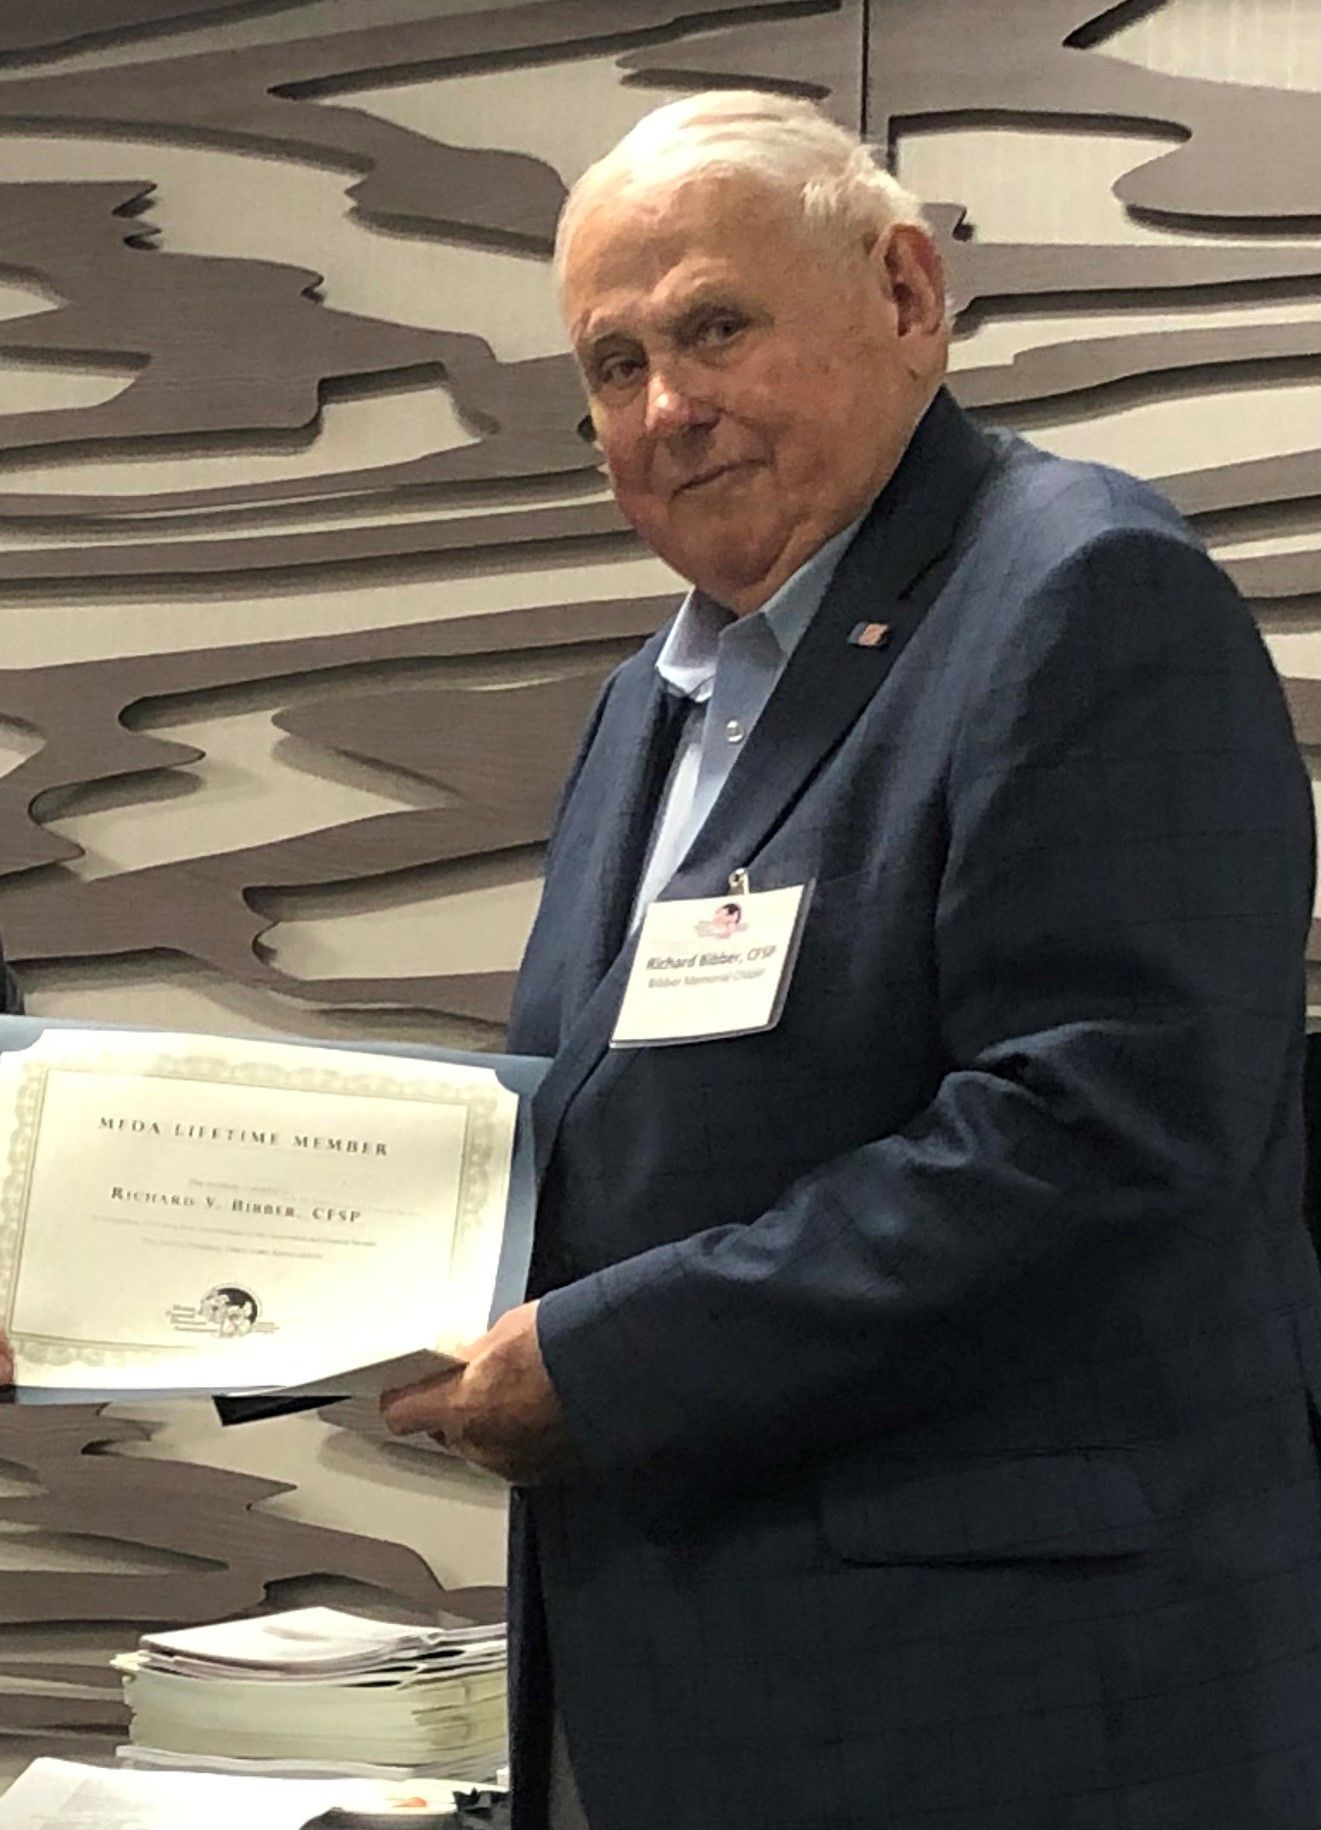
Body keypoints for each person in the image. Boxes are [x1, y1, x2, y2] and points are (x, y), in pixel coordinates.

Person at [391, 91, 1318, 1827]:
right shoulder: (651, 703)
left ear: (904, 295)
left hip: (1004, 1708)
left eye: (713, 328)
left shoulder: (1081, 591)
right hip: (692, 1676)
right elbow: (610, 1135)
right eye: (612, 365)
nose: (665, 408)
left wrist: (605, 1361)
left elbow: (1097, 1129)